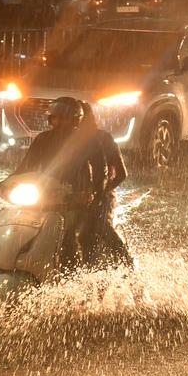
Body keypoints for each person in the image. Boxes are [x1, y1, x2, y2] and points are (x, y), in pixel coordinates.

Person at [0, 97, 96, 267]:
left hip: (71, 198)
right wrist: (4, 184)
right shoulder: (43, 139)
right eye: (56, 117)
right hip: (44, 192)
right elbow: (25, 167)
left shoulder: (82, 144)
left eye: (63, 118)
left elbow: (88, 172)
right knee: (22, 226)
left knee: (67, 237)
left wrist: (82, 194)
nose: (59, 122)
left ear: (75, 120)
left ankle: (72, 274)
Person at [79, 101, 134, 269]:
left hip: (102, 195)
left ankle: (128, 262)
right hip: (75, 196)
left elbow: (122, 174)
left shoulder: (104, 139)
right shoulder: (67, 142)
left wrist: (102, 192)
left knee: (100, 227)